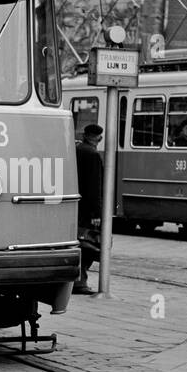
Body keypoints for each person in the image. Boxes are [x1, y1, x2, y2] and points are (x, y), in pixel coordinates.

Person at [73, 123, 104, 295]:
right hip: (88, 210)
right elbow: (95, 187)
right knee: (88, 245)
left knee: (80, 243)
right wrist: (96, 213)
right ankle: (80, 282)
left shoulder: (77, 149)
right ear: (98, 138)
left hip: (78, 205)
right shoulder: (92, 154)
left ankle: (76, 279)